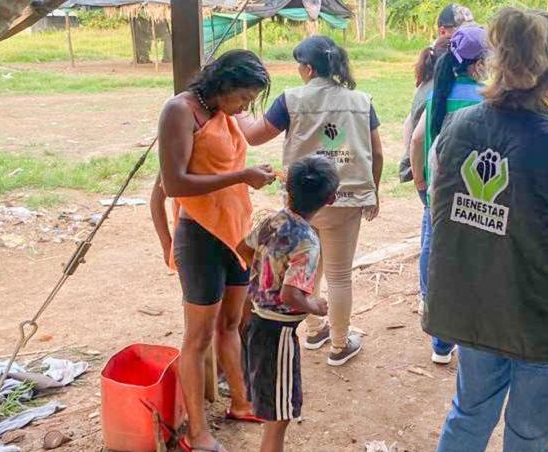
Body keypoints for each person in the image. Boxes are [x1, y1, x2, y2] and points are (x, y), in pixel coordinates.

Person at [424, 8, 548, 452]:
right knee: (530, 434)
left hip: (475, 311)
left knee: (468, 415)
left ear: (496, 60)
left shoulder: (453, 130)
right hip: (541, 324)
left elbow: (447, 215)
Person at [149, 49, 275, 452]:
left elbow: (231, 156)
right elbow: (172, 185)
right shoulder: (180, 111)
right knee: (198, 336)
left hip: (233, 232)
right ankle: (197, 432)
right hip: (200, 237)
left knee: (232, 323)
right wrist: (240, 176)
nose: (244, 107)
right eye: (243, 97)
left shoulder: (222, 113)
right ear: (223, 84)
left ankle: (240, 402)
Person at [238, 35, 383, 367]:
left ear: (308, 68)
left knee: (309, 267)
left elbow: (254, 135)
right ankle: (340, 343)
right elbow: (377, 153)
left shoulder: (291, 99)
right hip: (345, 199)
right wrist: (372, 192)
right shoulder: (361, 101)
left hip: (301, 202)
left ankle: (316, 330)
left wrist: (238, 110)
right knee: (339, 275)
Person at [237, 156, 338, 452]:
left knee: (272, 410)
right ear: (330, 199)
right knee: (279, 418)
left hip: (255, 317)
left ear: (288, 190)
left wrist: (263, 276)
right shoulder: (308, 242)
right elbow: (290, 295)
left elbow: (243, 248)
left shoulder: (274, 220)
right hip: (277, 333)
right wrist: (315, 306)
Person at [409, 24, 489, 365]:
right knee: (469, 263)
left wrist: (420, 182)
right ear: (480, 63)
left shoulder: (436, 95)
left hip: (437, 194)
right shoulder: (486, 98)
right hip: (474, 197)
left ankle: (439, 339)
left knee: (434, 252)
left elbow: (417, 140)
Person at [399, 3, 473, 182]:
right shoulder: (445, 68)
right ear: (443, 31)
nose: (469, 36)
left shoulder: (434, 60)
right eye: (463, 30)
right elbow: (416, 133)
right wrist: (418, 176)